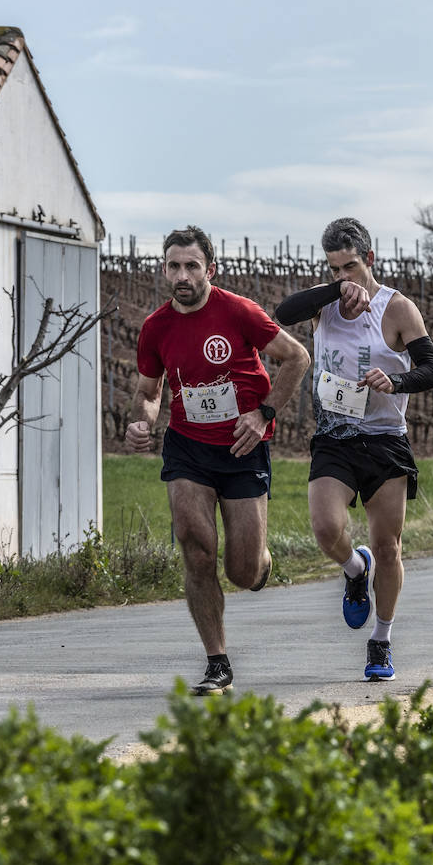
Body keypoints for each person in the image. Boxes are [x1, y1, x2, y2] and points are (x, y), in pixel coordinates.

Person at [126, 225, 310, 695]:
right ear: (164, 270)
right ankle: (217, 663)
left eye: (191, 266)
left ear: (210, 269)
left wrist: (264, 414)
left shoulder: (239, 312)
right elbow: (149, 392)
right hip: (187, 447)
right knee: (196, 546)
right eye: (174, 266)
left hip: (242, 447)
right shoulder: (156, 327)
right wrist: (142, 421)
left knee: (241, 572)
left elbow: (297, 357)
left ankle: (261, 563)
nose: (182, 275)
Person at [275, 217, 433, 681]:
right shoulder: (324, 303)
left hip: (385, 440)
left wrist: (396, 381)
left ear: (369, 259)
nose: (343, 275)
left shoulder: (397, 308)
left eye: (350, 266)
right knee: (326, 528)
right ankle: (354, 569)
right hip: (335, 437)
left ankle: (381, 641)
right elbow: (283, 313)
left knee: (388, 548)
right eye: (334, 269)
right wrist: (335, 290)